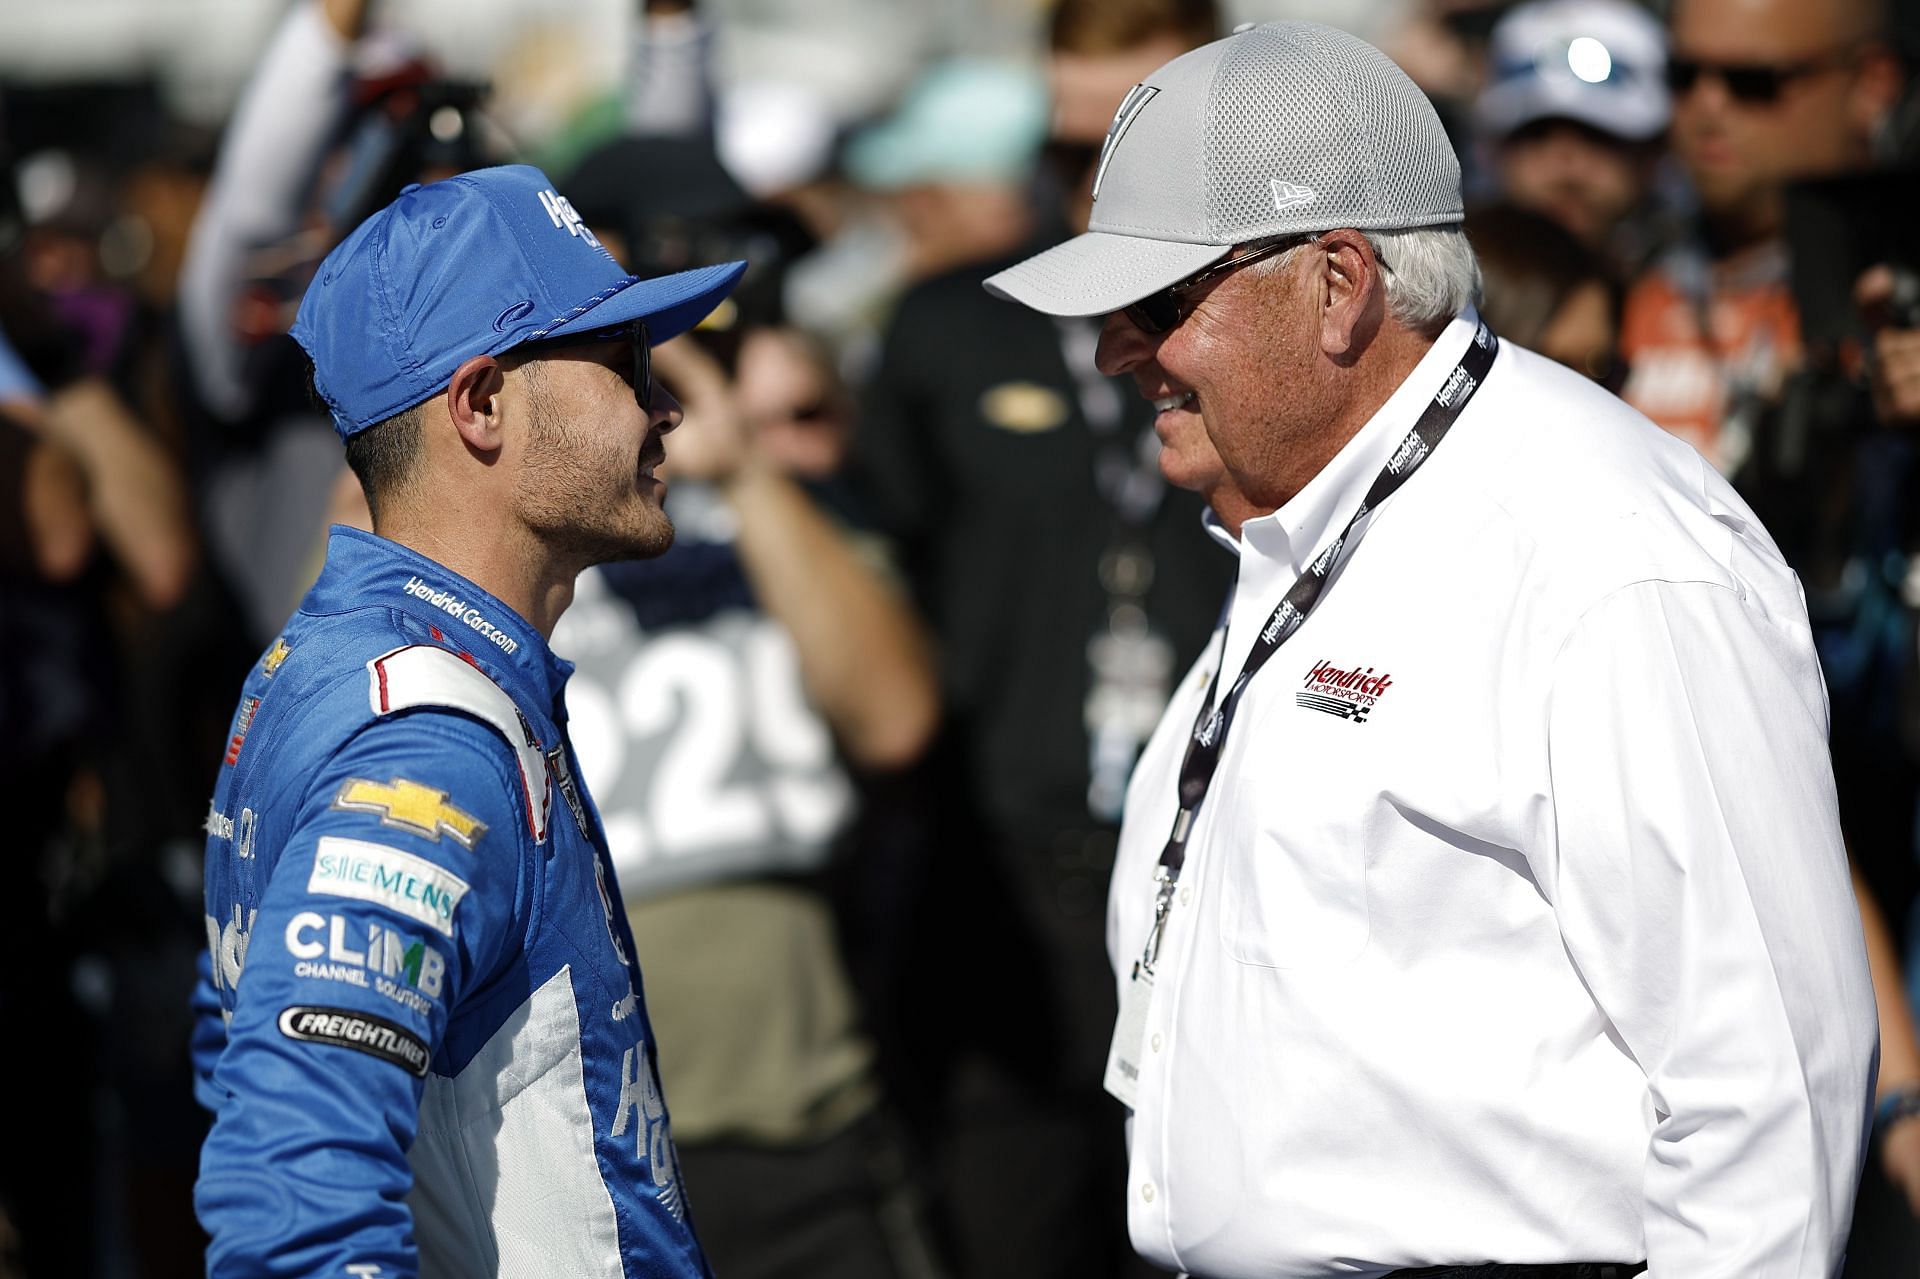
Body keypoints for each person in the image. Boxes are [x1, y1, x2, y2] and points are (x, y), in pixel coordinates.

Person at [984, 20, 1877, 1277]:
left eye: (1155, 302)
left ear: (1338, 283)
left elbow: (1768, 1087)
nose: (1115, 348)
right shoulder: (1314, 518)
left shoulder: (1605, 553)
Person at [190, 162, 744, 1277]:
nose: (667, 404)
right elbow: (294, 1204)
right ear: (481, 403)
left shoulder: (337, 656)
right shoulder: (430, 737)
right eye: (625, 362)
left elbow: (233, 1055)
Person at [851, 2, 1225, 1276]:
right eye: (1066, 149)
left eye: (1121, 151)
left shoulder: (1274, 333)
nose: (1087, 187)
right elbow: (880, 573)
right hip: (1002, 887)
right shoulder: (950, 323)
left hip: (1223, 869)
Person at [1472, 0, 1677, 272]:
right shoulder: (1442, 301)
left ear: (1654, 151)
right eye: (1536, 133)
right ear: (1492, 149)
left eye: (1598, 136)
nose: (1566, 167)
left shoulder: (1697, 289)